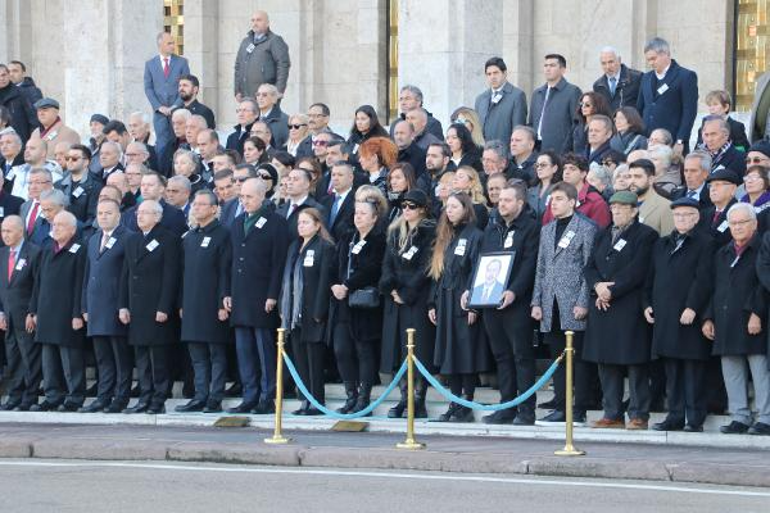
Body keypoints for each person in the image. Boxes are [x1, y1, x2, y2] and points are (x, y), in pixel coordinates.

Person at [584, 191, 658, 430]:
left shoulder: (646, 235)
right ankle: (612, 412)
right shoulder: (603, 234)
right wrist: (597, 286)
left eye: (621, 208)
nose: (615, 212)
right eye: (613, 208)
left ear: (634, 211)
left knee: (635, 363)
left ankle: (638, 413)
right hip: (602, 306)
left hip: (628, 307)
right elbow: (590, 267)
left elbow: (638, 270)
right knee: (606, 363)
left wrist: (611, 291)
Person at [470, 181, 540, 425]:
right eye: (500, 201)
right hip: (490, 301)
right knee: (501, 356)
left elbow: (530, 265)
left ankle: (526, 409)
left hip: (516, 303)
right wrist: (472, 290)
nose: (502, 204)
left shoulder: (531, 228)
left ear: (520, 203)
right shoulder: (492, 228)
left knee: (521, 355)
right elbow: (482, 262)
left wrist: (513, 291)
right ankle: (507, 405)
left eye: (507, 200)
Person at [644, 197, 714, 432]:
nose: (682, 219)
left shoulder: (705, 242)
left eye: (687, 215)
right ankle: (674, 416)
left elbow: (704, 279)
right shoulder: (662, 244)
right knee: (671, 369)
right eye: (678, 215)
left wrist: (693, 306)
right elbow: (650, 278)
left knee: (693, 368)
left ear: (696, 218)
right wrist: (647, 304)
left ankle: (694, 418)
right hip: (664, 316)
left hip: (689, 316)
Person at [531, 182, 597, 425]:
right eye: (552, 199)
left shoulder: (586, 228)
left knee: (577, 359)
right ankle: (560, 405)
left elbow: (589, 268)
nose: (554, 203)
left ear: (572, 201)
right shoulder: (547, 230)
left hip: (574, 303)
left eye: (559, 198)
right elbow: (541, 267)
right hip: (551, 303)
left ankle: (578, 408)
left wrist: (583, 302)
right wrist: (536, 301)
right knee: (558, 358)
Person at [225, 178, 289, 414]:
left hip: (262, 297)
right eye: (242, 196)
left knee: (264, 351)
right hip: (240, 296)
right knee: (244, 351)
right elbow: (229, 261)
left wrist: (272, 294)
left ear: (263, 196)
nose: (245, 201)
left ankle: (268, 395)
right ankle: (250, 395)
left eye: (249, 196)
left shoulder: (276, 223)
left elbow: (278, 263)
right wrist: (227, 292)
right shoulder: (238, 221)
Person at [708, 203, 770, 435]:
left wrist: (757, 312)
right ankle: (740, 416)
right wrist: (709, 318)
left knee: (760, 371)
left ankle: (765, 417)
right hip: (725, 319)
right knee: (731, 371)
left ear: (754, 224)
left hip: (752, 319)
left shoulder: (761, 248)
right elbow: (714, 288)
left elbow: (763, 286)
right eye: (733, 223)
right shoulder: (722, 253)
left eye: (743, 222)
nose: (737, 227)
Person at [330, 186, 387, 415]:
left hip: (364, 302)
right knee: (342, 349)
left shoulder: (378, 240)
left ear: (374, 217)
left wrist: (347, 285)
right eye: (356, 213)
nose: (358, 217)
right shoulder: (347, 237)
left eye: (363, 213)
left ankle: (364, 398)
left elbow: (372, 268)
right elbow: (336, 265)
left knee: (364, 350)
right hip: (343, 302)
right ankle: (350, 395)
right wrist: (335, 284)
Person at [119, 200, 181, 414]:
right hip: (136, 307)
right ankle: (145, 397)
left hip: (156, 307)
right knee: (142, 357)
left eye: (146, 213)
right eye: (138, 212)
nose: (140, 216)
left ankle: (159, 398)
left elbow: (170, 276)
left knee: (159, 357)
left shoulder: (168, 239)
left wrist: (164, 306)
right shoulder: (132, 239)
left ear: (158, 216)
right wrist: (123, 306)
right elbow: (125, 274)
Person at [428, 193, 486, 422]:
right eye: (447, 207)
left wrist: (474, 305)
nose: (449, 210)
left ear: (465, 208)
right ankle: (454, 402)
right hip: (445, 300)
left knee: (465, 354)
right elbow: (438, 273)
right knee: (450, 355)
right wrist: (432, 302)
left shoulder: (475, 235)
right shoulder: (447, 236)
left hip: (463, 302)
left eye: (454, 206)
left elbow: (477, 270)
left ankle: (466, 403)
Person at [379, 189, 436, 419]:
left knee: (418, 350)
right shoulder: (395, 232)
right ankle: (404, 397)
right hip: (396, 300)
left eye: (411, 206)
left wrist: (407, 292)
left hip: (417, 299)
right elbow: (387, 265)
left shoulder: (429, 232)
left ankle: (418, 399)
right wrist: (391, 288)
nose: (406, 210)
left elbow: (426, 267)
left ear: (422, 209)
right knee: (400, 351)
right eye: (404, 206)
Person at [175, 190, 232, 414]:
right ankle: (200, 395)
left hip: (212, 304)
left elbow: (224, 271)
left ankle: (214, 396)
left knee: (215, 354)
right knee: (197, 355)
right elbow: (182, 273)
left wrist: (222, 303)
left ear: (213, 208)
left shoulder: (223, 234)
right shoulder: (189, 237)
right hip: (191, 304)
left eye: (201, 204)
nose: (195, 208)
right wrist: (181, 303)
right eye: (194, 204)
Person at [28, 211, 87, 412]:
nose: (56, 228)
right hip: (46, 312)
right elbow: (38, 283)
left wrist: (77, 313)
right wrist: (33, 310)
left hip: (67, 314)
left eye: (61, 225)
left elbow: (81, 283)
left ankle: (75, 396)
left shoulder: (79, 250)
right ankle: (53, 396)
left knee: (71, 360)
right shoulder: (47, 249)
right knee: (49, 360)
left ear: (72, 229)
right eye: (54, 224)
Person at [279, 208, 335, 415]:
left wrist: (320, 312)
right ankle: (304, 400)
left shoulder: (324, 247)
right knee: (300, 359)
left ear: (318, 225)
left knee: (314, 361)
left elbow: (323, 282)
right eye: (299, 222)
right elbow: (286, 279)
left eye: (305, 222)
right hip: (294, 312)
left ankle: (316, 402)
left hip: (313, 312)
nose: (300, 226)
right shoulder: (295, 246)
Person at [80, 199, 132, 413]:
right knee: (103, 358)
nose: (103, 217)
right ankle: (103, 396)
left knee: (120, 357)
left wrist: (124, 305)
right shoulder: (93, 240)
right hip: (95, 307)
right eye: (100, 213)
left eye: (108, 213)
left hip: (115, 307)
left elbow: (128, 276)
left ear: (118, 215)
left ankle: (121, 398)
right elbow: (87, 275)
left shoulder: (128, 238)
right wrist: (84, 307)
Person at [0, 216, 42, 411]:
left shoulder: (34, 252)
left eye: (9, 231)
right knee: (13, 357)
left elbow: (38, 285)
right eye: (3, 231)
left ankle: (30, 395)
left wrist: (33, 311)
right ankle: (15, 395)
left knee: (29, 357)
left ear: (20, 231)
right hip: (7, 316)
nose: (5, 235)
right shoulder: (2, 254)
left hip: (26, 316)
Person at [636, 37, 698, 155]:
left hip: (672, 140)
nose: (651, 63)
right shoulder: (646, 78)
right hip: (648, 142)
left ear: (666, 54)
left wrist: (680, 140)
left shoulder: (685, 76)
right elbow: (640, 108)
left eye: (653, 58)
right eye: (648, 60)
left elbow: (689, 112)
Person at [143, 32, 190, 156]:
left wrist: (175, 105)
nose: (173, 46)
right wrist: (159, 106)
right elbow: (148, 88)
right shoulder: (150, 64)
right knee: (162, 147)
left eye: (173, 43)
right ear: (160, 45)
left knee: (179, 145)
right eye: (169, 43)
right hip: (160, 114)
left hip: (178, 111)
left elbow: (185, 86)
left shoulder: (182, 62)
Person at [529, 54, 582, 153]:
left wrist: (570, 149)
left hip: (560, 150)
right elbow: (531, 123)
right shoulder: (537, 93)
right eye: (546, 65)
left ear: (563, 70)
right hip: (536, 149)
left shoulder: (572, 91)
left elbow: (577, 125)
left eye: (552, 65)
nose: (548, 69)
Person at [234, 10, 291, 101]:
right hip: (246, 96)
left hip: (267, 96)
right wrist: (237, 90)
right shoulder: (246, 42)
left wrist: (279, 90)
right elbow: (238, 66)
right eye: (253, 20)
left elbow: (283, 65)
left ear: (267, 23)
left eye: (258, 20)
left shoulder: (275, 40)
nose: (255, 23)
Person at [542, 153, 610, 228]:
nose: (567, 172)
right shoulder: (555, 196)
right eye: (565, 168)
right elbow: (546, 226)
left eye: (572, 169)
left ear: (583, 174)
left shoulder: (596, 202)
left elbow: (599, 234)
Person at [474, 57, 527, 146]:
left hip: (505, 155)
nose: (492, 77)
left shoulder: (517, 96)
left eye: (496, 73)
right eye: (489, 74)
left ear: (504, 73)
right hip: (483, 155)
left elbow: (518, 130)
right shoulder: (480, 99)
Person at [121, 172, 187, 237]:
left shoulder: (174, 214)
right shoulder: (129, 213)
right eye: (143, 185)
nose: (145, 188)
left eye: (150, 185)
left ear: (161, 189)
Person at [55, 144, 102, 230]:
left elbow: (93, 217)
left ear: (86, 162)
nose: (69, 161)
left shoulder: (96, 185)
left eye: (74, 159)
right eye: (67, 158)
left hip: (82, 233)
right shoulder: (58, 184)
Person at [628, 158, 674, 235]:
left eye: (637, 177)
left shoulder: (666, 207)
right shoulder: (624, 204)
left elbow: (668, 242)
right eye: (630, 176)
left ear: (651, 179)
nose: (632, 181)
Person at [276, 167, 326, 237]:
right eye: (289, 179)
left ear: (307, 184)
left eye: (295, 179)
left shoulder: (316, 209)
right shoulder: (280, 209)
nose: (290, 182)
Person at [699, 168, 741, 247]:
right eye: (710, 186)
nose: (713, 189)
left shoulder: (741, 213)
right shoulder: (703, 214)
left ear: (733, 189)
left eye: (718, 185)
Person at [592, 46, 642, 111]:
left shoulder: (637, 78)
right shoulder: (598, 85)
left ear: (619, 60)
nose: (608, 67)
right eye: (604, 63)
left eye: (611, 62)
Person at [0, 64, 37, 143]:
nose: (1, 78)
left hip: (20, 143)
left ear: (9, 75)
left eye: (4, 75)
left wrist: (32, 141)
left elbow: (33, 120)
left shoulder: (22, 93)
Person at [322, 161, 358, 243]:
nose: (335, 178)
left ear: (351, 177)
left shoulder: (357, 200)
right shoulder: (324, 201)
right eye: (333, 175)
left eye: (340, 175)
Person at [255, 83, 289, 149]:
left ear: (274, 99)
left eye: (264, 95)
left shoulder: (285, 120)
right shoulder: (253, 118)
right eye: (258, 95)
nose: (260, 98)